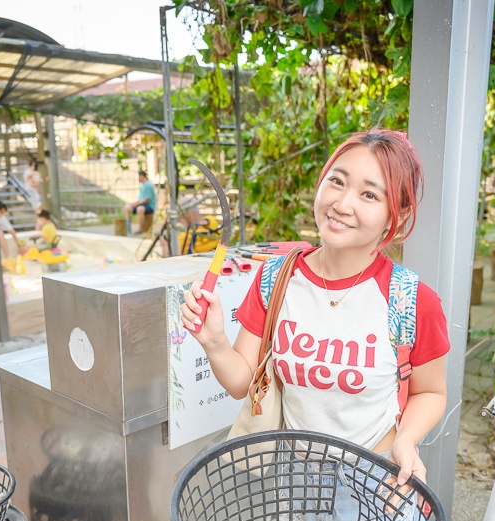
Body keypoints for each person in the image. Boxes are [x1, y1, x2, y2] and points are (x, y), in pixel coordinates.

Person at [180, 127, 449, 493]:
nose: (342, 203)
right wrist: (214, 342)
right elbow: (242, 382)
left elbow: (430, 393)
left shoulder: (412, 299)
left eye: (369, 194)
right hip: (294, 476)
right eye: (336, 181)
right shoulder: (276, 279)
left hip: (378, 477)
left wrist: (407, 440)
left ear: (395, 217)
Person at [124, 169, 156, 235]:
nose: (138, 178)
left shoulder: (148, 185)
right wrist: (134, 203)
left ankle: (141, 229)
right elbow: (141, 199)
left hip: (149, 206)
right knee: (127, 207)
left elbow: (147, 200)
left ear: (142, 176)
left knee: (140, 209)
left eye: (138, 176)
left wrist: (137, 204)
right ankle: (128, 228)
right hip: (142, 204)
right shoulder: (142, 186)